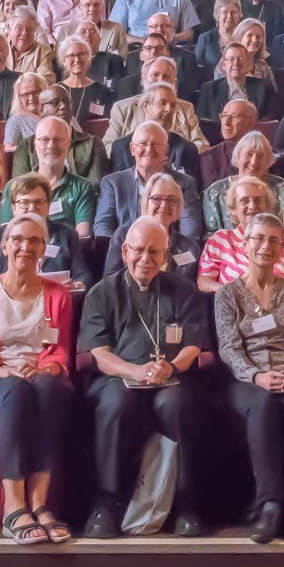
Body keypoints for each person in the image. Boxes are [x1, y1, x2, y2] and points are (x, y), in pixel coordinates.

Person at [81, 215, 212, 538]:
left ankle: (186, 504)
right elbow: (99, 353)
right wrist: (135, 371)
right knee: (115, 404)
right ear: (125, 251)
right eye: (138, 250)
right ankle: (106, 503)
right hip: (118, 378)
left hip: (171, 378)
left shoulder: (183, 290)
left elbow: (194, 345)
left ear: (166, 256)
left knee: (177, 404)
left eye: (155, 252)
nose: (146, 259)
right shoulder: (102, 292)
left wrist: (170, 367)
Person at [0, 215, 78, 545]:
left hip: (40, 380)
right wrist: (5, 371)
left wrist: (45, 370)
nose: (25, 247)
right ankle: (14, 507)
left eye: (34, 241)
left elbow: (60, 352)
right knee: (16, 390)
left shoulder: (58, 294)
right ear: (3, 245)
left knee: (43, 389)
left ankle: (41, 504)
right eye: (17, 239)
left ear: (44, 249)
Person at [215, 213, 284, 543]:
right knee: (262, 407)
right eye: (258, 239)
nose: (265, 246)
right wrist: (257, 376)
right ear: (245, 244)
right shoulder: (227, 294)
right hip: (247, 380)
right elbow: (229, 348)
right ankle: (270, 506)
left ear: (282, 248)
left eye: (273, 241)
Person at [96, 123, 203, 243]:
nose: (149, 149)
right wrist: (124, 253)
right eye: (143, 144)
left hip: (170, 254)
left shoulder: (185, 183)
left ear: (166, 150)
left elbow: (190, 230)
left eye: (156, 144)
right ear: (132, 149)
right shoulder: (112, 183)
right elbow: (104, 226)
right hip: (123, 252)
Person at [204, 131, 284, 233]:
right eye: (249, 154)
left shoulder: (281, 187)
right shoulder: (215, 192)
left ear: (267, 160)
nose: (254, 162)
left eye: (260, 156)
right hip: (227, 247)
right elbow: (210, 235)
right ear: (238, 156)